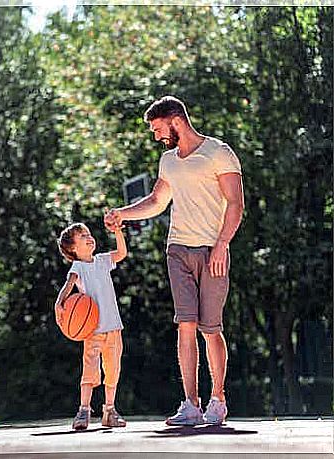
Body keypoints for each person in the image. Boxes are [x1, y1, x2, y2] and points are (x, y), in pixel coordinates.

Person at [104, 96, 244, 426]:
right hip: (178, 249)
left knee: (211, 329)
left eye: (157, 128)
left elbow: (236, 203)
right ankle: (191, 404)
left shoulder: (218, 153)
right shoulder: (168, 161)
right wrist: (122, 214)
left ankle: (218, 400)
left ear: (175, 120)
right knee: (186, 325)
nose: (156, 136)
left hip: (213, 250)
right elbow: (156, 201)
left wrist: (223, 244)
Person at [54, 219, 128, 430]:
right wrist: (59, 303)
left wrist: (118, 232)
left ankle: (109, 411)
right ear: (73, 249)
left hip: (114, 327)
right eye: (83, 236)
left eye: (89, 234)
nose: (89, 237)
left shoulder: (103, 260)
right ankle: (84, 410)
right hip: (92, 330)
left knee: (113, 371)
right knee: (90, 371)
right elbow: (68, 285)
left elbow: (121, 253)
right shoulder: (78, 266)